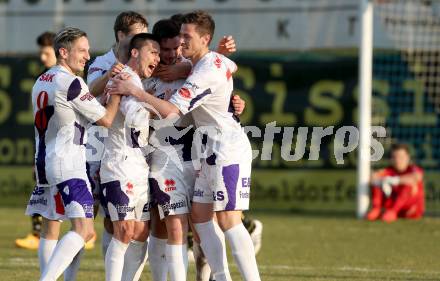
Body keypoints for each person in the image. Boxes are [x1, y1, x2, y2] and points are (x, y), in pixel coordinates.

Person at [109, 10, 261, 281]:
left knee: (228, 220)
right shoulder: (204, 63)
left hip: (225, 147)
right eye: (179, 36)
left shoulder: (202, 70)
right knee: (201, 218)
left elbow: (171, 112)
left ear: (205, 39)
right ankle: (222, 277)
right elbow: (228, 66)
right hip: (202, 151)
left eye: (186, 36)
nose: (180, 43)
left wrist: (137, 92)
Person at [25, 27, 121, 281]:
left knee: (50, 225)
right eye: (81, 50)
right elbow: (107, 119)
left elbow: (76, 107)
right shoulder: (71, 82)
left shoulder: (42, 79)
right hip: (69, 164)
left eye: (88, 50)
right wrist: (120, 90)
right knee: (84, 230)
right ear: (63, 52)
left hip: (46, 162)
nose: (87, 56)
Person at [86, 11, 149, 258]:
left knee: (136, 222)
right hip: (101, 145)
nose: (141, 40)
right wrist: (111, 73)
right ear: (121, 35)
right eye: (136, 34)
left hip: (135, 149)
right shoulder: (102, 62)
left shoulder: (144, 60)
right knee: (104, 218)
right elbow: (90, 92)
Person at [101, 33, 159, 281]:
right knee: (124, 230)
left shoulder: (137, 83)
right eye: (153, 52)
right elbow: (133, 116)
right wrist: (155, 108)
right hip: (118, 164)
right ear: (135, 52)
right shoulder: (124, 77)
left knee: (141, 232)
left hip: (138, 165)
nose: (157, 58)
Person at [16, 31, 56, 251]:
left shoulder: (70, 79)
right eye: (40, 52)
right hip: (46, 144)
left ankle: (83, 232)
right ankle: (37, 233)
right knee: (42, 187)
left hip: (67, 146)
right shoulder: (43, 77)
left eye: (46, 52)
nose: (42, 57)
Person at [366, 143, 424, 223]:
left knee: (408, 185)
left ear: (408, 157)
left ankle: (393, 211)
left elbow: (416, 177)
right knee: (377, 183)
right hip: (391, 208)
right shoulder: (389, 171)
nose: (398, 160)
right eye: (394, 157)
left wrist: (393, 180)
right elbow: (372, 178)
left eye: (401, 157)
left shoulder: (413, 169)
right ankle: (376, 209)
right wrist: (383, 181)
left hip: (411, 210)